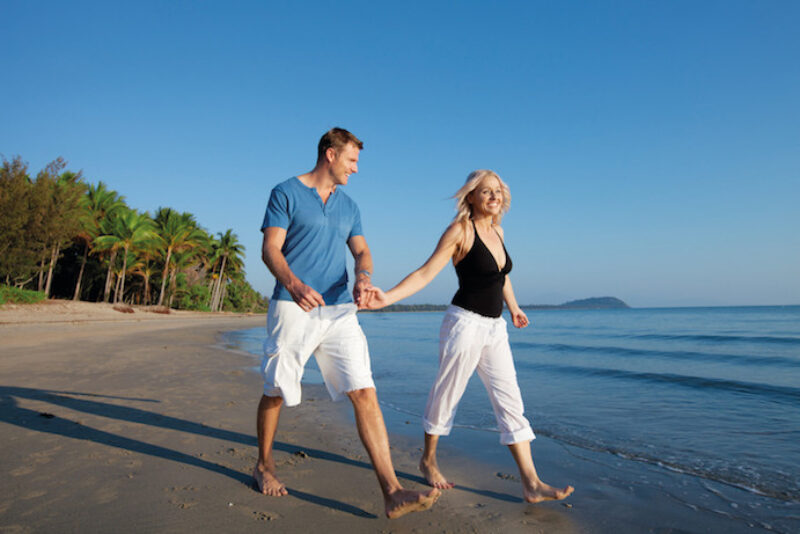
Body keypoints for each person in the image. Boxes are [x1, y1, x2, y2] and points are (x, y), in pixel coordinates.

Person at [255, 128, 440, 518]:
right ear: (330, 155)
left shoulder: (350, 206)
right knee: (276, 390)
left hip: (340, 309)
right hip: (294, 306)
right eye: (352, 160)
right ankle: (264, 466)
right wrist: (294, 284)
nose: (356, 169)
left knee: (364, 391)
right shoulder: (285, 192)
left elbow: (362, 251)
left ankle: (391, 491)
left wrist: (363, 277)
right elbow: (270, 248)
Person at [362, 169, 574, 503]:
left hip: (495, 328)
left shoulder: (498, 231)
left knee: (511, 401)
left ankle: (531, 484)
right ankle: (428, 460)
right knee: (447, 394)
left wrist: (514, 308)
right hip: (464, 324)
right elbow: (426, 271)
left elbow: (501, 276)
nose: (494, 197)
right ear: (471, 197)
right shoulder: (460, 230)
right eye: (486, 192)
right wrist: (387, 297)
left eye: (498, 191)